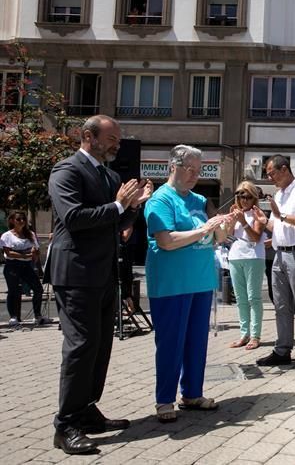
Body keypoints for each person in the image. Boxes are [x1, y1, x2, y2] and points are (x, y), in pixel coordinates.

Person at [47, 115, 151, 454]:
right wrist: (120, 203)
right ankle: (65, 425)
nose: (117, 144)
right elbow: (74, 218)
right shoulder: (67, 171)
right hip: (75, 274)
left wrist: (134, 207)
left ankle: (87, 408)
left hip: (105, 274)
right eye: (111, 138)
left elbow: (117, 223)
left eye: (118, 139)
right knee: (80, 347)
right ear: (88, 136)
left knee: (100, 346)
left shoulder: (110, 175)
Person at [144, 145, 228, 424]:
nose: (194, 175)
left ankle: (192, 393)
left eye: (199, 170)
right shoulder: (160, 199)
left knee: (196, 342)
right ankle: (164, 400)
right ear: (173, 167)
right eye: (189, 169)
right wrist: (203, 229)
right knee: (170, 343)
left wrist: (224, 224)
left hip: (201, 280)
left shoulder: (199, 200)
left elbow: (215, 239)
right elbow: (166, 241)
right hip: (172, 283)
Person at [256, 155, 295, 369]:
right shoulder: (280, 194)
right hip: (279, 254)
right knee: (281, 305)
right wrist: (262, 220)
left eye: (271, 172)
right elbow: (276, 225)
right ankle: (282, 349)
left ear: (284, 169)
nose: (269, 177)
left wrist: (281, 215)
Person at [226, 182, 267, 351]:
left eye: (248, 196)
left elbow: (255, 237)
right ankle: (244, 334)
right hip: (235, 256)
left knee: (253, 297)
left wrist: (243, 222)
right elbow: (228, 235)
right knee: (240, 298)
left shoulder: (258, 213)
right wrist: (231, 221)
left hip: (253, 257)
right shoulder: (236, 212)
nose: (244, 200)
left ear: (254, 197)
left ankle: (255, 335)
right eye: (241, 196)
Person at [1, 211, 48, 326]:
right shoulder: (7, 236)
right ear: (12, 221)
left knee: (38, 289)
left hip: (27, 266)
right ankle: (14, 317)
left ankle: (37, 315)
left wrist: (35, 253)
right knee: (14, 291)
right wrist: (26, 255)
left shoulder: (30, 234)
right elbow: (9, 253)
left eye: (23, 219)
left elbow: (36, 250)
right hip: (12, 265)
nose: (22, 221)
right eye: (18, 219)